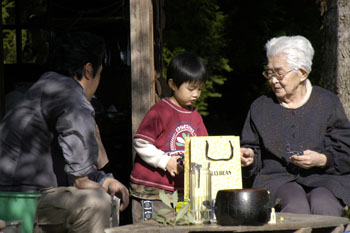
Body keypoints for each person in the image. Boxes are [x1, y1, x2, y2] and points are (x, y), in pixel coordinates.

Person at [0, 32, 129, 233]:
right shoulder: (70, 95)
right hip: (18, 200)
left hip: (26, 196)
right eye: (100, 73)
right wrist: (95, 185)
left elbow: (71, 162)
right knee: (96, 203)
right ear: (89, 70)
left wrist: (104, 179)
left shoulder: (49, 85)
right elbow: (80, 179)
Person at [240, 35, 350, 217]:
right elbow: (253, 151)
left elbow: (346, 150)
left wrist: (323, 160)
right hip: (276, 181)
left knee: (325, 207)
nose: (273, 80)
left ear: (302, 73)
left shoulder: (327, 103)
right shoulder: (260, 107)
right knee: (295, 207)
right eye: (269, 73)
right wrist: (249, 157)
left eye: (279, 73)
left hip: (325, 178)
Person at [129, 52, 209, 223]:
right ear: (172, 84)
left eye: (200, 89)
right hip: (151, 191)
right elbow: (141, 142)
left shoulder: (196, 117)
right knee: (150, 229)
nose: (196, 94)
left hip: (180, 194)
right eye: (191, 88)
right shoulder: (160, 111)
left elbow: (205, 148)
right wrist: (165, 161)